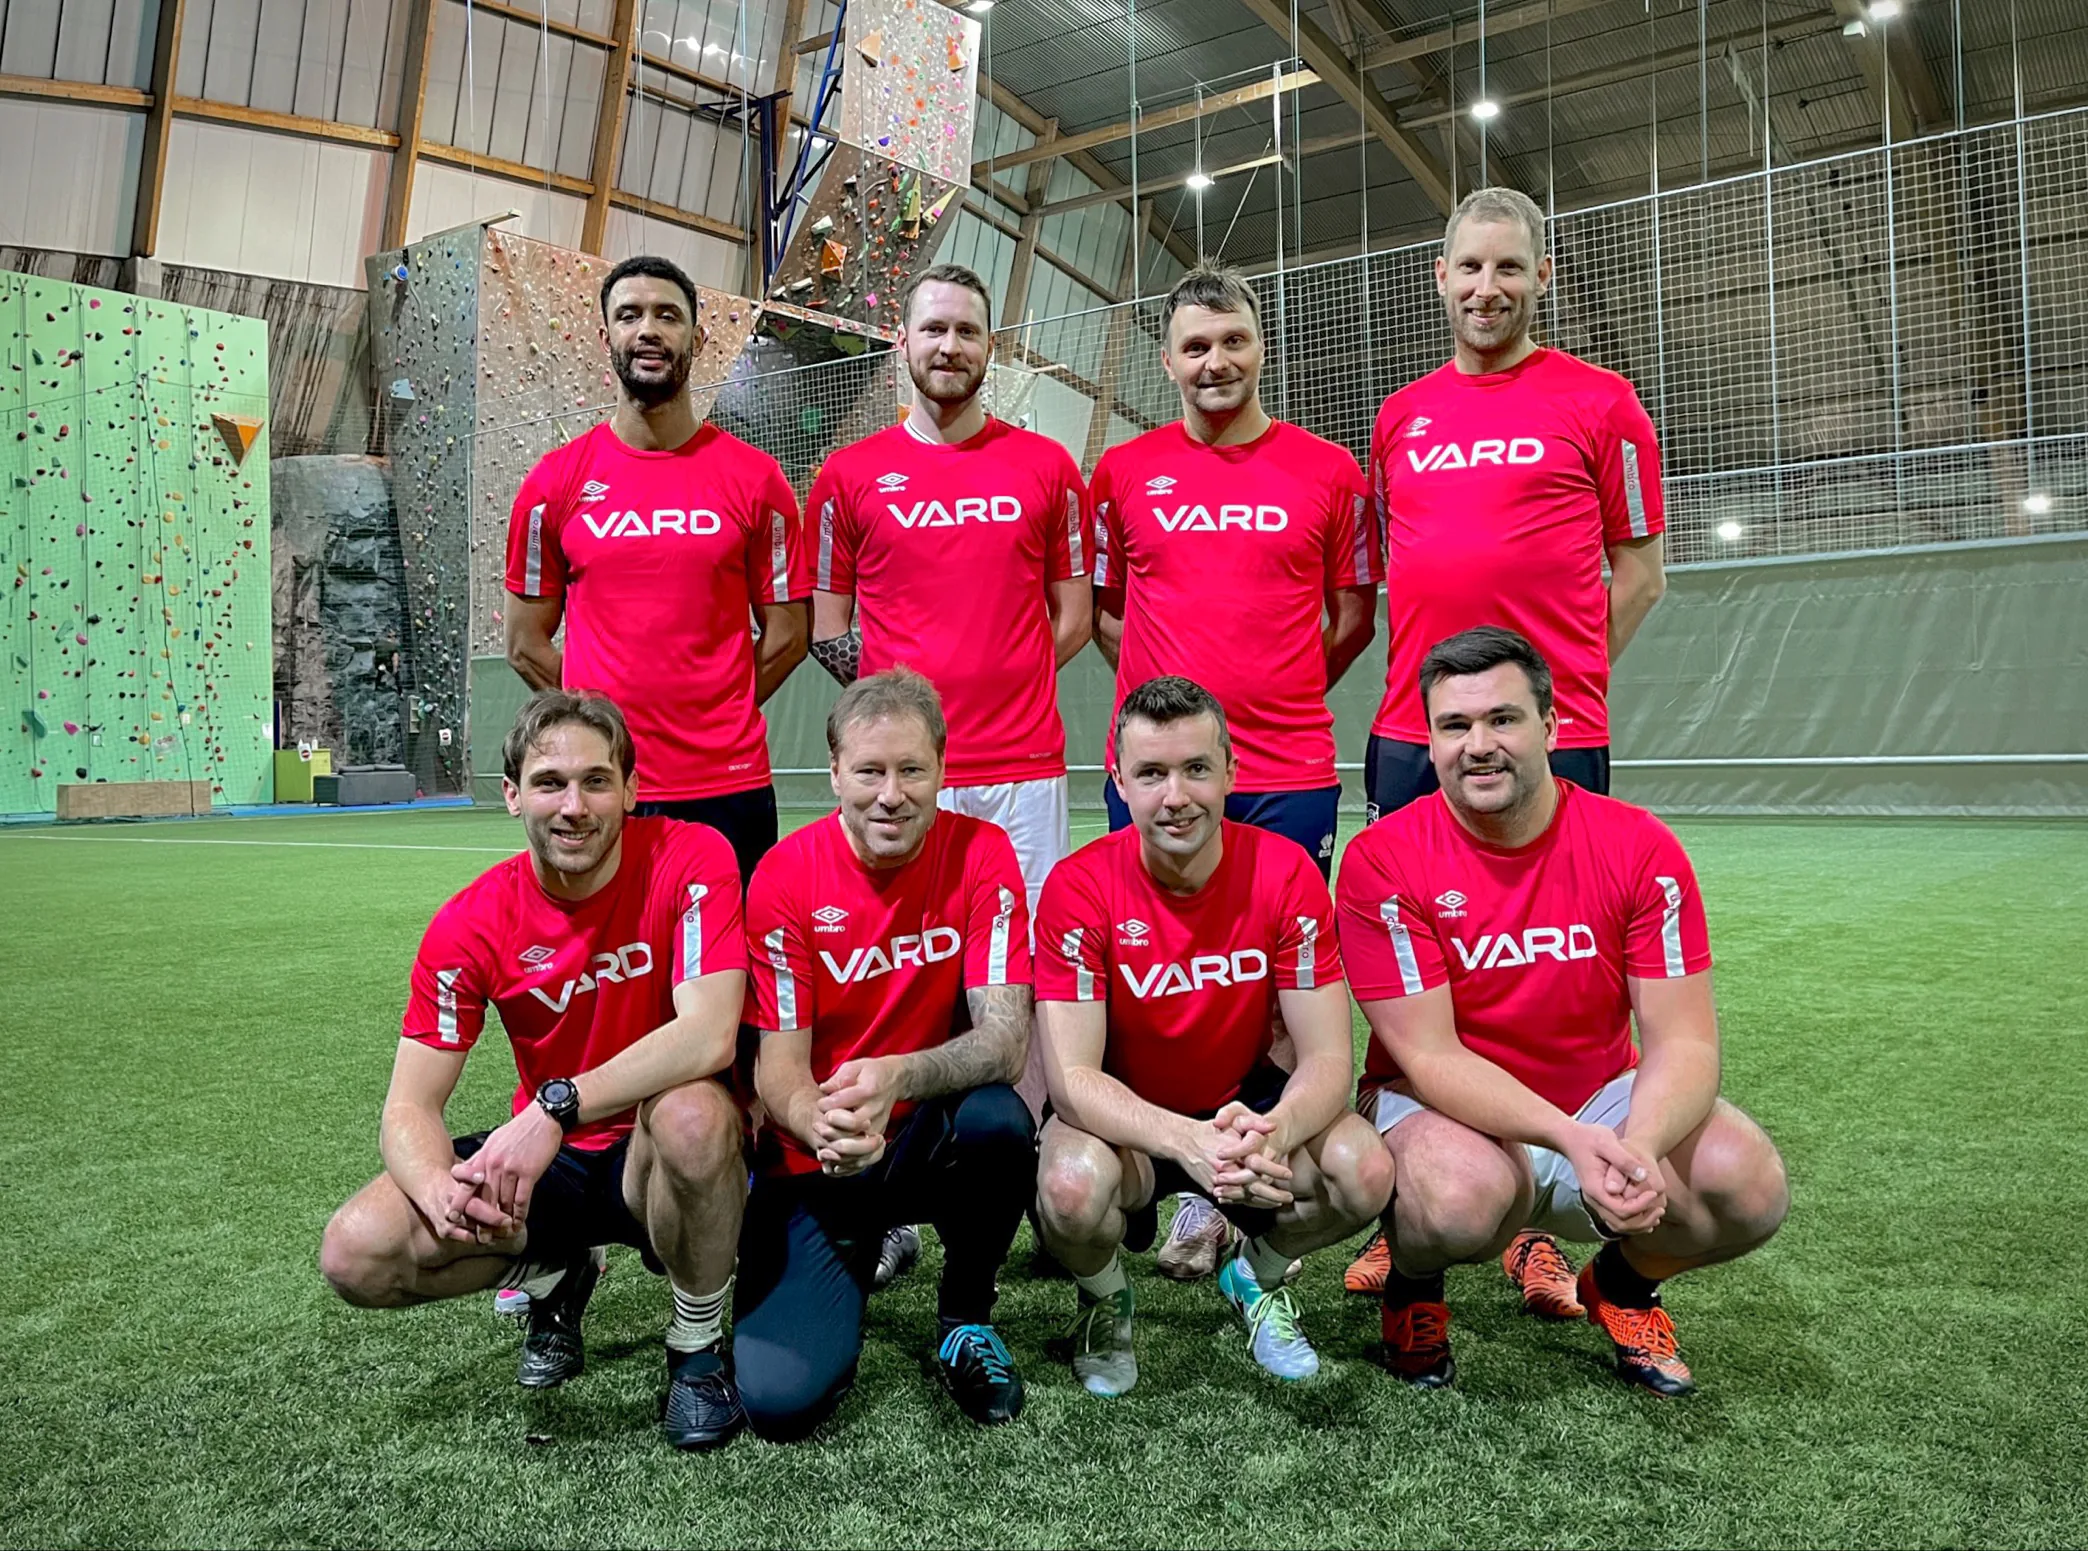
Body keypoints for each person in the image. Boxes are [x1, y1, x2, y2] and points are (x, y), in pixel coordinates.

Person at [1346, 185, 1671, 1295]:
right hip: (1406, 735)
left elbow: (1641, 572)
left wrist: (1560, 693)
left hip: (1557, 738)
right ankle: (1416, 1202)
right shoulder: (1400, 416)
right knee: (1420, 972)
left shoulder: (1604, 402)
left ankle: (1539, 1209)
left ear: (1543, 279)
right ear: (1438, 279)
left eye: (1509, 269)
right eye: (1468, 268)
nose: (1488, 288)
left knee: (1559, 974)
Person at [1336, 627, 1789, 1395]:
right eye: (1455, 725)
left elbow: (1683, 1039)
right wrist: (1570, 1138)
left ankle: (1624, 1284)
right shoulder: (1384, 859)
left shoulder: (1638, 847)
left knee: (1749, 1186)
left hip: (1597, 1097)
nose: (1478, 744)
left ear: (1551, 726)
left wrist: (1638, 1143)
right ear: (1431, 739)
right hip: (1448, 1112)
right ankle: (1414, 1283)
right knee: (1457, 1198)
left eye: (1503, 719)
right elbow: (1431, 1057)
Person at [318, 691, 753, 1450]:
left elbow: (709, 1033)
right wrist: (439, 1192)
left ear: (631, 788)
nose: (574, 805)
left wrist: (554, 1108)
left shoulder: (691, 857)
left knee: (694, 1112)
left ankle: (694, 1346)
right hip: (549, 1171)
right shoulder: (470, 922)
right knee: (355, 1250)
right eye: (550, 782)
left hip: (653, 1156)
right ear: (512, 793)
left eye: (596, 780)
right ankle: (554, 1267)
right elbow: (408, 1108)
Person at [1090, 264, 1379, 1282]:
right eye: (1195, 345)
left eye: (1233, 341)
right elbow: (1104, 613)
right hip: (1162, 775)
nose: (1216, 362)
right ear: (1168, 361)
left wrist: (1279, 687)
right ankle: (1167, 1181)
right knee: (1158, 983)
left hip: (1287, 765)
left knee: (1277, 997)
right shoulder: (1123, 475)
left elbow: (1350, 621)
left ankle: (1253, 1189)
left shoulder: (1330, 472)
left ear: (1262, 348)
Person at [807, 264, 1090, 1293]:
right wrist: (910, 729)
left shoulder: (1051, 469)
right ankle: (894, 1204)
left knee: (1026, 988)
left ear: (989, 348)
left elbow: (1068, 615)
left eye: (968, 331)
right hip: (908, 784)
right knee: (905, 986)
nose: (949, 347)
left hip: (1021, 772)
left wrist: (1003, 687)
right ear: (904, 343)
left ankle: (1027, 1185)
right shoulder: (847, 476)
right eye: (933, 329)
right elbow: (829, 631)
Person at [1032, 677, 1392, 1397]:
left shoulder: (1285, 871)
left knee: (1364, 1170)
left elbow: (1328, 1055)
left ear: (1230, 771)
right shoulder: (1078, 887)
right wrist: (1183, 1140)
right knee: (1071, 1190)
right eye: (1152, 773)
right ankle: (1106, 1299)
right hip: (1128, 1117)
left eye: (1197, 768)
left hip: (1243, 1108)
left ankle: (1252, 1277)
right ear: (1119, 783)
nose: (1176, 795)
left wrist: (1276, 1128)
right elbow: (1072, 1077)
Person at [734, 669, 1037, 1438]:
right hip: (825, 1153)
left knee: (1000, 1119)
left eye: (912, 770)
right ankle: (845, 1260)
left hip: (929, 1138)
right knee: (779, 1400)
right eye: (869, 770)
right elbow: (778, 1065)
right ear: (835, 771)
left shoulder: (982, 853)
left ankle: (966, 1313)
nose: (891, 794)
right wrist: (818, 1121)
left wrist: (900, 1072)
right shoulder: (784, 876)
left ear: (942, 769)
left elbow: (1004, 1042)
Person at [503, 253, 810, 889]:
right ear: (606, 337)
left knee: (731, 979)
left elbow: (787, 635)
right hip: (608, 792)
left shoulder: (758, 481)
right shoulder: (553, 484)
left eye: (668, 315)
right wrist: (597, 729)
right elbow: (524, 643)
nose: (649, 329)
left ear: (696, 337)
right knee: (617, 978)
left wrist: (716, 711)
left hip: (730, 786)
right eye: (630, 315)